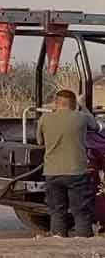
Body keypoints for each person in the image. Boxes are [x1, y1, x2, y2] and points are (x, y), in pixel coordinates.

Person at [37, 89, 105, 238]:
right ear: (74, 104)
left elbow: (40, 142)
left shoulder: (44, 119)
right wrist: (84, 106)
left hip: (52, 172)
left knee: (56, 211)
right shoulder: (81, 118)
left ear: (56, 103)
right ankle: (82, 243)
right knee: (80, 211)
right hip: (76, 172)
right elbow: (96, 126)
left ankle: (58, 241)